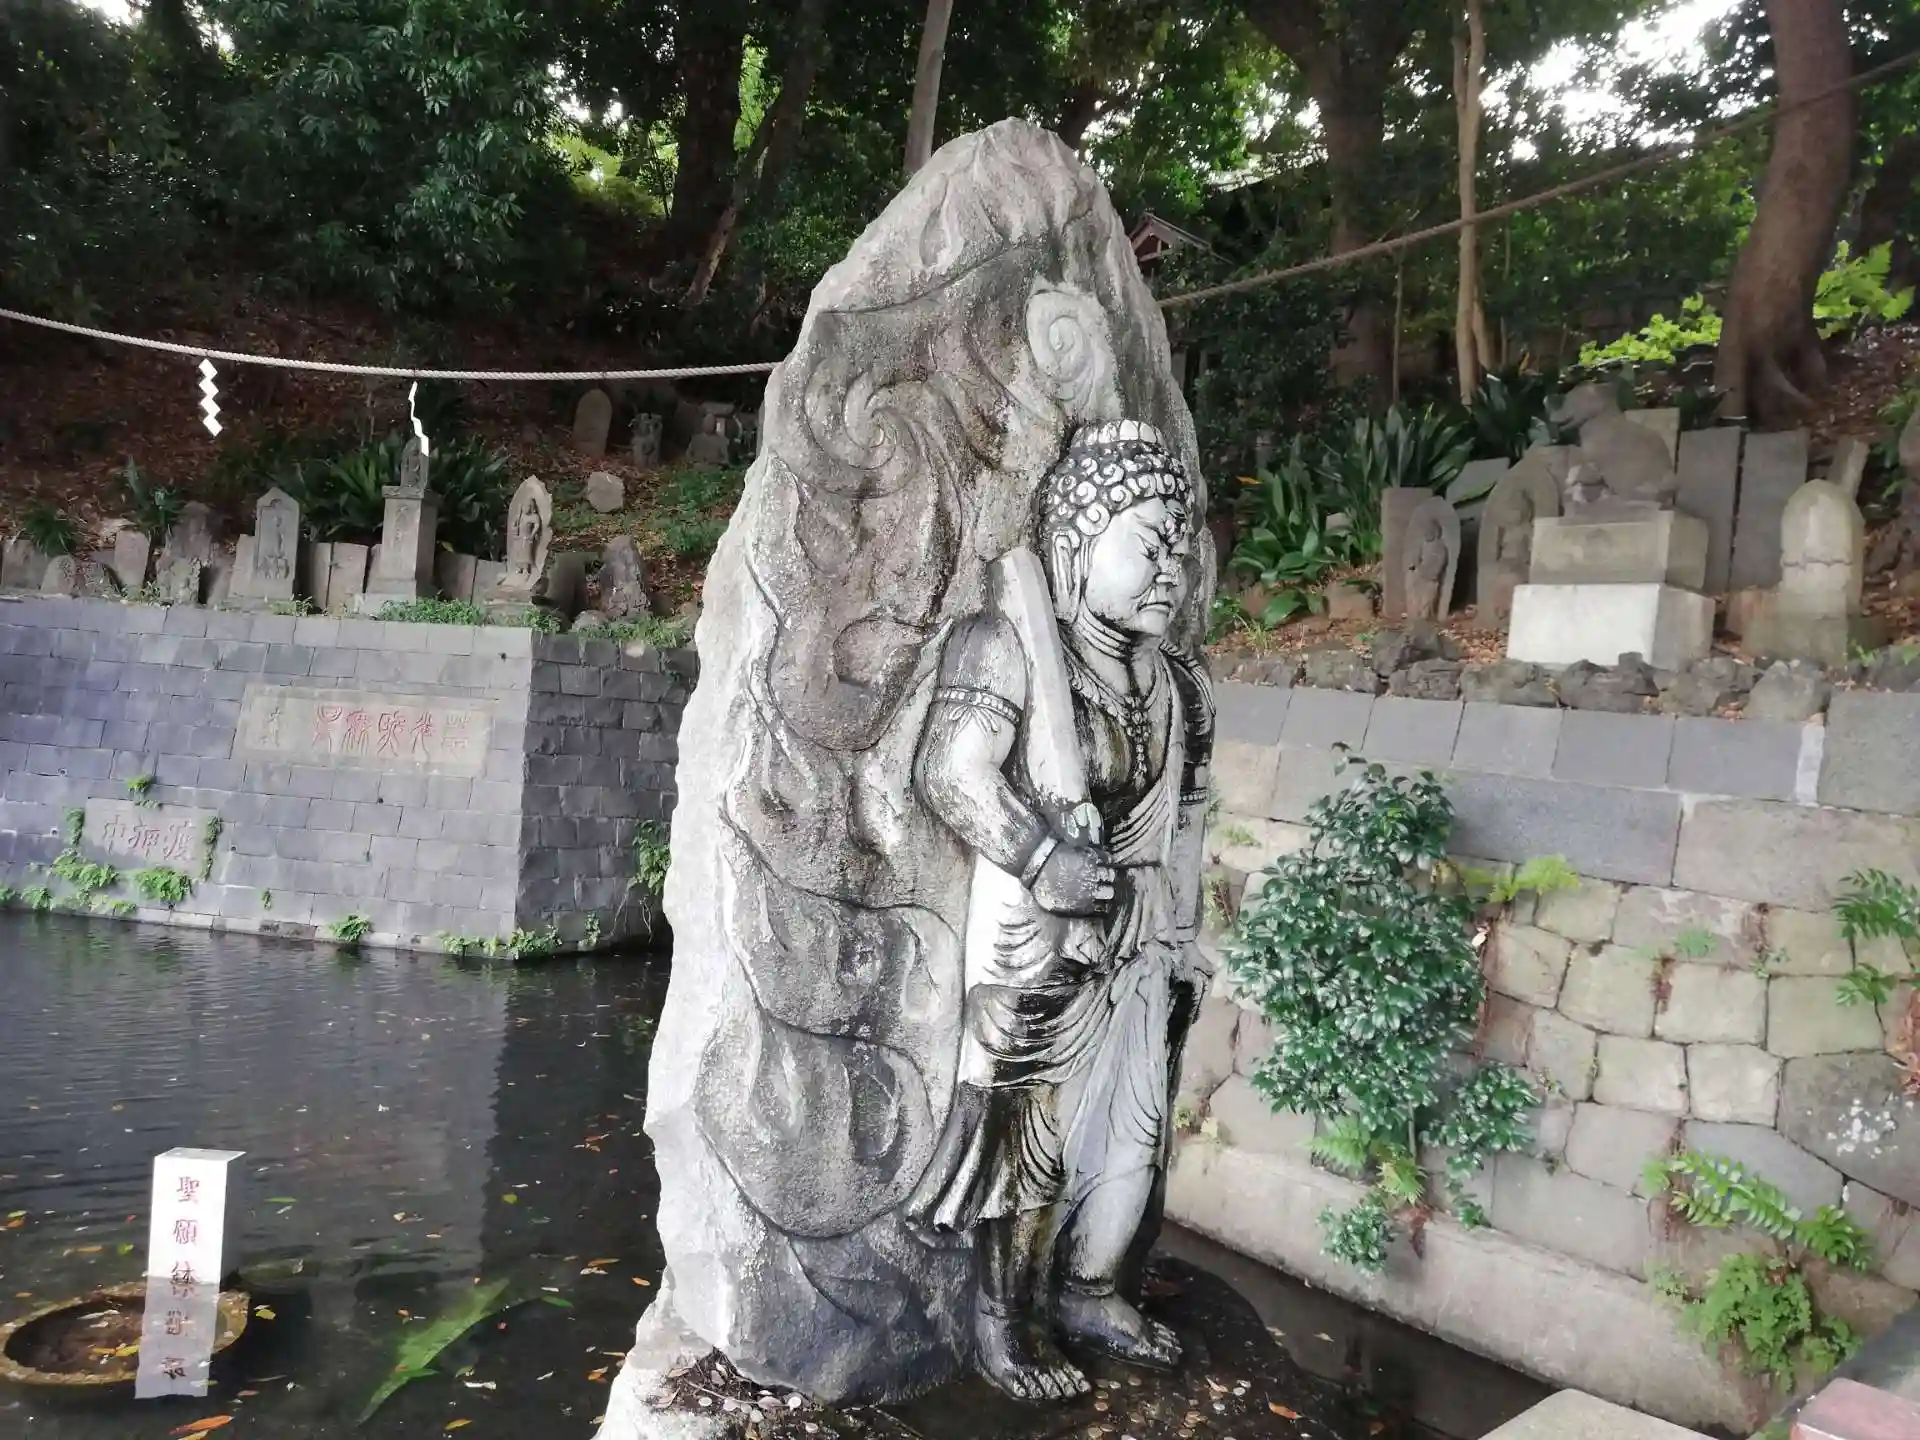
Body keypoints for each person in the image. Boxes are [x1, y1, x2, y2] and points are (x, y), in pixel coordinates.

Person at [905, 419, 1214, 1402]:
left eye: (1181, 550)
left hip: (1141, 936)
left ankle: (1091, 1289)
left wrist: (1183, 933)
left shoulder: (1182, 687)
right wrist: (1042, 858)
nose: (1170, 570)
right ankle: (1006, 1318)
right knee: (1030, 1129)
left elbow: (1188, 822)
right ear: (1077, 545)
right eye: (1149, 543)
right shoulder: (1008, 647)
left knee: (1131, 1128)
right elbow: (951, 771)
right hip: (1040, 938)